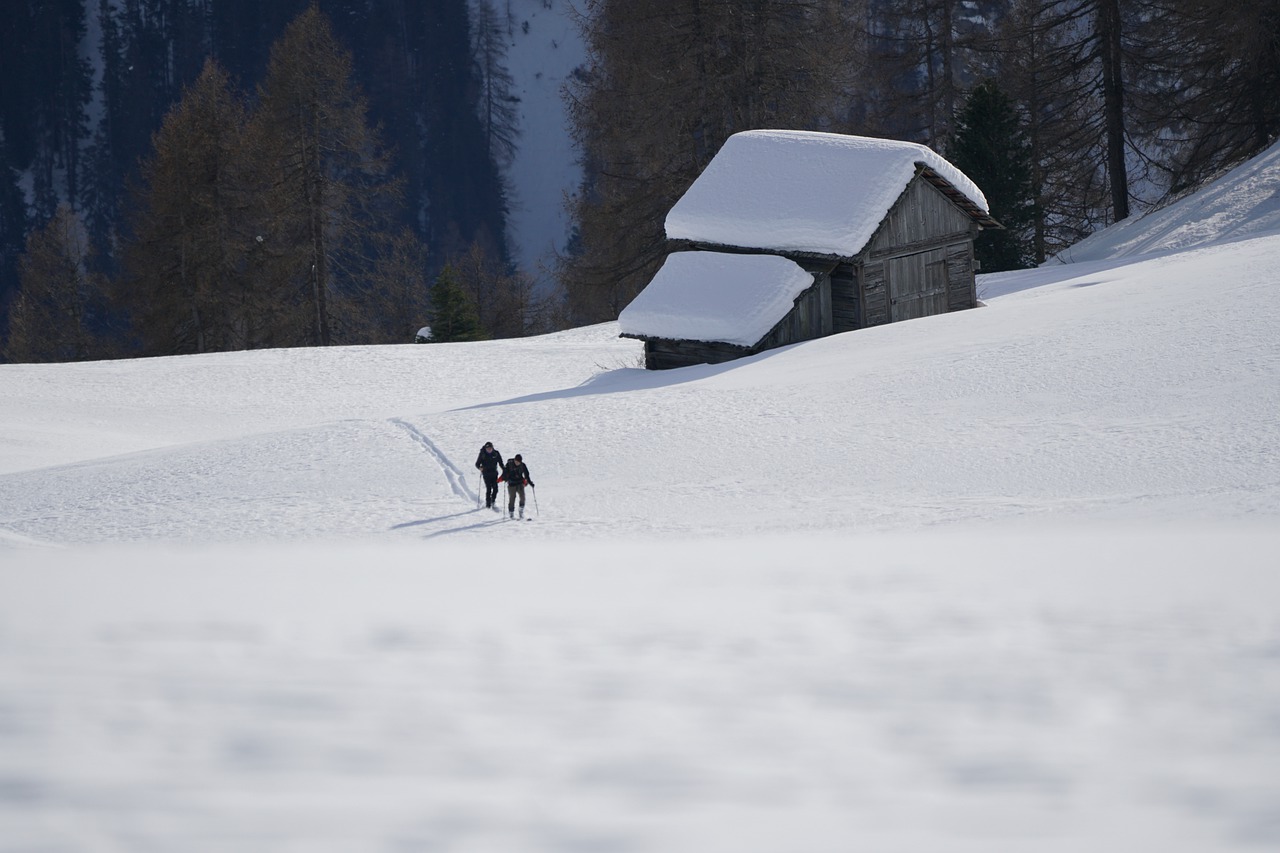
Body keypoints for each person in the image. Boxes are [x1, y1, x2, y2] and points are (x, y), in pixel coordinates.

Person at [498, 454, 534, 519]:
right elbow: (505, 473)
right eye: (516, 461)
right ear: (514, 460)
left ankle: (521, 511)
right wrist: (503, 478)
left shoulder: (523, 465)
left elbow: (526, 475)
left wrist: (530, 482)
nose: (517, 463)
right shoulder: (509, 464)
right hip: (511, 484)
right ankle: (511, 513)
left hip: (520, 483)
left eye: (518, 462)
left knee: (522, 497)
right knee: (512, 498)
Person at [474, 441, 504, 510]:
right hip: (486, 473)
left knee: (495, 488)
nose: (489, 450)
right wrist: (480, 468)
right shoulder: (482, 454)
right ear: (485, 448)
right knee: (489, 488)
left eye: (490, 448)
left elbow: (500, 463)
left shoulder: (496, 453)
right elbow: (477, 464)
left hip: (494, 473)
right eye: (488, 449)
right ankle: (488, 503)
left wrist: (504, 470)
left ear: (492, 448)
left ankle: (493, 500)